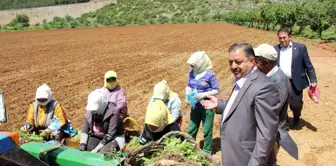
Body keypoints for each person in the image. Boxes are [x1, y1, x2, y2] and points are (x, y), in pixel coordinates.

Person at [201, 43, 280, 166]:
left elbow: (266, 134)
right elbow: (244, 105)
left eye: (238, 62)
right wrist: (220, 104)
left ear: (252, 61)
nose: (233, 66)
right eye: (230, 62)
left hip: (246, 158)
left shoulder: (264, 87)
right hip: (235, 154)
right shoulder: (243, 80)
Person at [254, 43, 298, 161]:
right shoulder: (267, 76)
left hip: (272, 132)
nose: (255, 65)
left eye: (257, 62)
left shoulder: (279, 81)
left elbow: (272, 110)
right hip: (265, 128)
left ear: (266, 63)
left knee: (267, 160)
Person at [274, 27, 317, 129]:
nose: (282, 40)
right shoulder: (275, 49)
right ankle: (284, 122)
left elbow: (308, 65)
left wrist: (313, 79)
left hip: (295, 81)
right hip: (280, 82)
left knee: (295, 104)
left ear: (290, 36)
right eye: (280, 38)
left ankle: (296, 117)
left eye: (284, 37)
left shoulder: (300, 48)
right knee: (281, 103)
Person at [185, 51, 220, 154]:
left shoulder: (210, 74)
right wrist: (187, 94)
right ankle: (188, 148)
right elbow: (189, 85)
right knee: (191, 128)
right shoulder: (191, 72)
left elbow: (216, 90)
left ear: (201, 64)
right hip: (195, 105)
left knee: (206, 130)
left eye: (194, 65)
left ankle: (207, 151)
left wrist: (204, 95)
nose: (192, 66)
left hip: (207, 106)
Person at [78, 88, 125, 153]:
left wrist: (96, 150)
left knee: (103, 153)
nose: (93, 111)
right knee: (88, 148)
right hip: (97, 136)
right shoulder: (90, 110)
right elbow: (85, 130)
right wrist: (82, 144)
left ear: (102, 104)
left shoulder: (113, 111)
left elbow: (111, 134)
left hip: (112, 138)